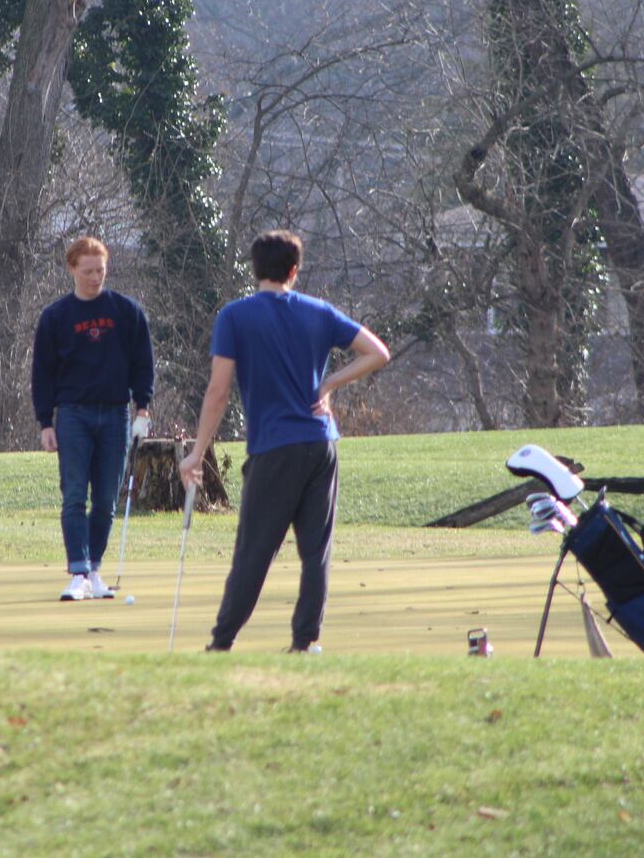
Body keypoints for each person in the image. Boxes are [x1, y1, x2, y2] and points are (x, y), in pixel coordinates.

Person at [179, 230, 390, 652]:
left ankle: (221, 643)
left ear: (254, 268)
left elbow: (218, 392)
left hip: (274, 449)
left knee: (255, 552)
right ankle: (306, 641)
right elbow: (377, 352)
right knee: (316, 551)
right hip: (320, 446)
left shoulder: (235, 316)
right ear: (294, 270)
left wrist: (197, 453)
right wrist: (329, 382)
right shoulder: (320, 312)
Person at [32, 236, 154, 602]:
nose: (94, 278)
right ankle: (78, 572)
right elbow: (43, 374)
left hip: (116, 413)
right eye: (87, 271)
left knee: (104, 500)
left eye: (100, 270)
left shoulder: (126, 312)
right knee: (73, 496)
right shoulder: (56, 317)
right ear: (72, 269)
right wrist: (45, 422)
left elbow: (142, 364)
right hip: (72, 415)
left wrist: (143, 409)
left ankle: (94, 570)